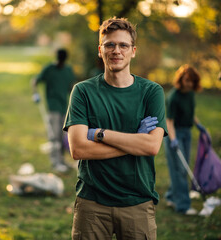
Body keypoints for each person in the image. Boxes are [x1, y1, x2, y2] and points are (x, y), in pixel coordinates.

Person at [63, 17, 167, 240]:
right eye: (109, 44)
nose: (116, 50)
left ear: (133, 51)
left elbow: (151, 146)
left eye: (123, 45)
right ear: (100, 50)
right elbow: (79, 149)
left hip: (137, 202)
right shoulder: (83, 91)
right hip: (92, 204)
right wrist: (134, 141)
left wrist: (99, 134)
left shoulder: (151, 92)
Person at [164, 64, 205, 215]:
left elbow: (190, 112)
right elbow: (169, 121)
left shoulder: (190, 94)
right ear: (181, 80)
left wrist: (199, 125)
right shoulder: (173, 97)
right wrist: (173, 140)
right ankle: (182, 206)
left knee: (182, 166)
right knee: (181, 169)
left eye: (192, 81)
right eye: (187, 80)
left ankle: (171, 196)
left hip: (187, 133)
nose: (189, 84)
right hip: (175, 134)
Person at [32, 48, 75, 173]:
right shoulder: (49, 69)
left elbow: (71, 87)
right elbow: (35, 81)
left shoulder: (68, 70)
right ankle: (55, 162)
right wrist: (35, 94)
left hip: (65, 107)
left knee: (62, 136)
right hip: (53, 107)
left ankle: (61, 160)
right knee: (54, 135)